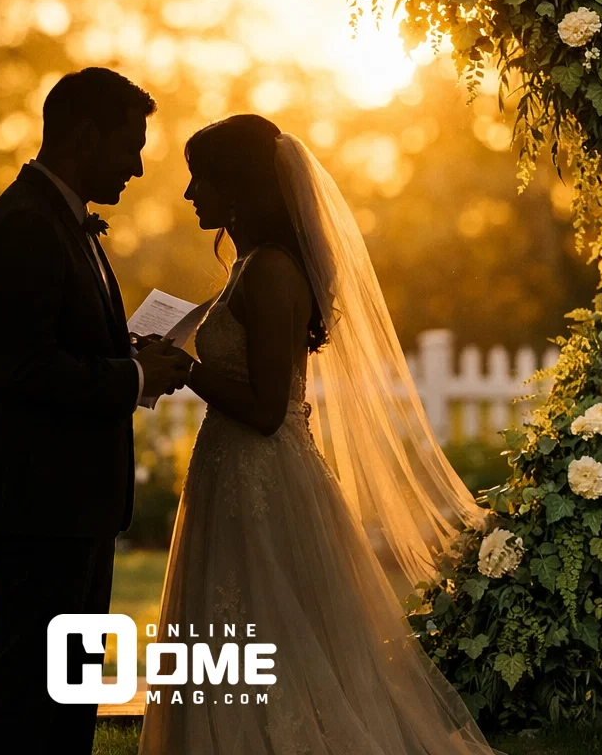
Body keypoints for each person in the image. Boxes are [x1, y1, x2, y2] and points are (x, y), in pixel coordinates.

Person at [138, 113, 507, 755]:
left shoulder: (273, 270)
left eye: (202, 178)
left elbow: (264, 406)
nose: (190, 193)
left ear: (240, 185)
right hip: (229, 469)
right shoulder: (248, 263)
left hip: (265, 472)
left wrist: (187, 370)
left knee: (271, 623)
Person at [0, 67, 194, 755]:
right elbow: (26, 368)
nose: (139, 167)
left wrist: (128, 353)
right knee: (22, 686)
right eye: (130, 146)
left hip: (75, 501)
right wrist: (137, 374)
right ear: (85, 137)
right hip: (40, 499)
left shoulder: (63, 221)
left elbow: (59, 338)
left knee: (68, 686)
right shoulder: (24, 225)